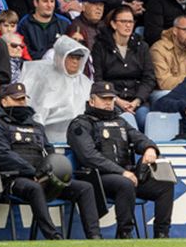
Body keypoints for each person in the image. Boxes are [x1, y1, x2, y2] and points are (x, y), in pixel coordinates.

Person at [0, 81, 100, 240]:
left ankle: (95, 236)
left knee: (85, 188)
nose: (21, 103)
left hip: (43, 177)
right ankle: (53, 236)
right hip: (14, 179)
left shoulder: (37, 127)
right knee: (34, 188)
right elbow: (4, 156)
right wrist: (34, 173)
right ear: (4, 101)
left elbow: (50, 151)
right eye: (16, 99)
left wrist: (49, 172)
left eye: (23, 99)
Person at [67, 81, 175, 238]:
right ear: (92, 100)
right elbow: (89, 156)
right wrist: (121, 172)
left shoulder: (120, 121)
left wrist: (150, 148)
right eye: (103, 99)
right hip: (98, 177)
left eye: (110, 99)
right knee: (125, 183)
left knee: (165, 185)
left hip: (126, 175)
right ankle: (124, 233)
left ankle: (162, 234)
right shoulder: (81, 124)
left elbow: (139, 138)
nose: (108, 103)